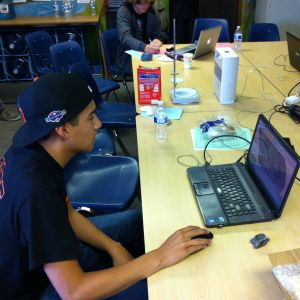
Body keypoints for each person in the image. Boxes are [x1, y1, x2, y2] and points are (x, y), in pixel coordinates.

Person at [0, 73, 211, 300]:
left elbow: (66, 214)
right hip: (38, 289)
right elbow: (74, 292)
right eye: (90, 117)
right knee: (161, 293)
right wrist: (160, 256)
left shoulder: (33, 151)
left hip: (46, 256)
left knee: (135, 223)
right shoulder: (37, 192)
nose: (98, 124)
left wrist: (114, 247)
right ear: (63, 129)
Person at [115, 0, 169, 75]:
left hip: (151, 55)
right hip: (128, 58)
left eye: (147, 2)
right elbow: (125, 37)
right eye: (141, 3)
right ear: (133, 2)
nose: (145, 5)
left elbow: (163, 32)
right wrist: (144, 47)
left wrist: (158, 39)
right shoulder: (124, 11)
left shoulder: (152, 10)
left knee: (166, 69)